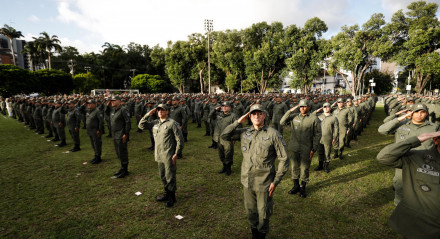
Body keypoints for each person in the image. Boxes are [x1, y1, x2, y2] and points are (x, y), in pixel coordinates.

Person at [221, 104, 289, 239]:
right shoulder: (244, 132)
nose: (257, 116)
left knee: (263, 214)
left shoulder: (273, 134)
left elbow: (284, 159)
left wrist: (276, 181)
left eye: (259, 113)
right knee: (251, 211)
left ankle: (261, 234)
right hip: (247, 180)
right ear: (249, 117)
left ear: (264, 115)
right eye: (253, 114)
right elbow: (224, 135)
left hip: (264, 182)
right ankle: (254, 233)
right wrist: (238, 122)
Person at [376, 131, 440, 239]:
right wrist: (418, 139)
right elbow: (383, 157)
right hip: (420, 225)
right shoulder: (417, 158)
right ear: (436, 139)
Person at [138, 103, 184, 207]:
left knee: (170, 176)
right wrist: (148, 114)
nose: (160, 112)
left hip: (168, 154)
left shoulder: (172, 123)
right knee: (163, 175)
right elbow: (141, 125)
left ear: (167, 112)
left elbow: (180, 140)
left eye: (162, 110)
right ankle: (167, 193)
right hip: (158, 154)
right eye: (158, 110)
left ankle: (172, 197)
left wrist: (177, 153)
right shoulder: (155, 123)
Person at [280, 99, 321, 198]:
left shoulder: (313, 119)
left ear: (308, 107)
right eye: (300, 106)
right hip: (294, 147)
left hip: (307, 148)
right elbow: (282, 122)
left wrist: (313, 149)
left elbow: (318, 134)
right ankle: (296, 186)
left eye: (304, 106)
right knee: (294, 167)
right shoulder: (294, 117)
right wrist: (290, 110)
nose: (302, 108)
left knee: (304, 168)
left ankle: (303, 188)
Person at [212, 101, 237, 176]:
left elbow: (237, 127)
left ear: (230, 107)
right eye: (223, 106)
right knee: (221, 154)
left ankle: (228, 169)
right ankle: (224, 167)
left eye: (226, 106)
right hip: (219, 138)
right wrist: (215, 110)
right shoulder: (219, 114)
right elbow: (210, 116)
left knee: (228, 154)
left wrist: (234, 138)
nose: (224, 107)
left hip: (227, 138)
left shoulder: (233, 116)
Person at [314, 102, 339, 173]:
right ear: (322, 108)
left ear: (330, 108)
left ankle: (326, 166)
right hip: (319, 138)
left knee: (327, 152)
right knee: (320, 152)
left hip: (328, 138)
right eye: (324, 107)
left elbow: (336, 129)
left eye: (327, 107)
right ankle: (320, 165)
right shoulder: (319, 116)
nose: (326, 108)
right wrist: (317, 111)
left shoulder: (333, 117)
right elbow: (310, 115)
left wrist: (334, 138)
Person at [110, 96, 131, 178]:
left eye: (114, 100)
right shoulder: (113, 110)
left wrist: (126, 133)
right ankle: (122, 168)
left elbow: (128, 122)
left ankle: (125, 170)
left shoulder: (123, 109)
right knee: (118, 152)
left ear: (119, 101)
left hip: (121, 134)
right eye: (111, 101)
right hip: (115, 134)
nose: (112, 102)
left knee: (122, 151)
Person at [86, 99, 104, 164]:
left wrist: (99, 130)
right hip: (90, 130)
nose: (88, 105)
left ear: (94, 104)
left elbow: (101, 121)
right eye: (88, 103)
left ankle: (98, 157)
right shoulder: (89, 111)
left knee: (97, 144)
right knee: (93, 144)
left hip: (95, 130)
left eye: (90, 103)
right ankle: (96, 155)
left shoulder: (97, 111)